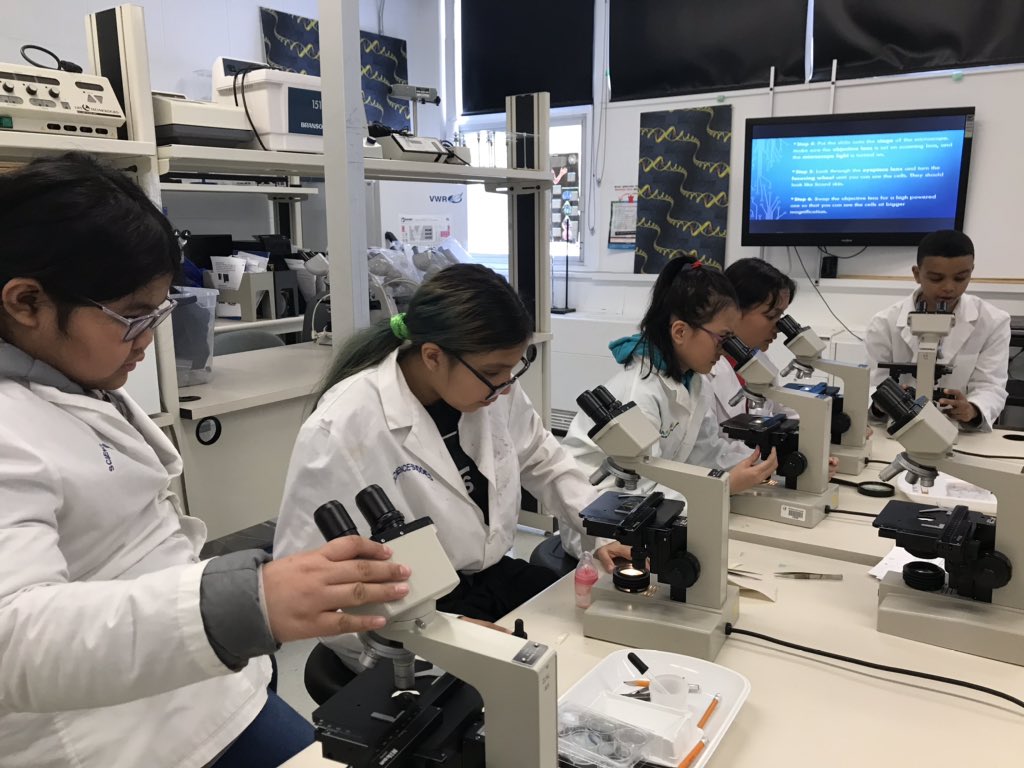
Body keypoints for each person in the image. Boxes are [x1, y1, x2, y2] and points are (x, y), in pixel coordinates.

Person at [0, 153, 412, 768]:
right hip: (109, 738)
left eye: (160, 312)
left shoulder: (64, 381)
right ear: (27, 303)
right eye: (134, 317)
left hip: (198, 695)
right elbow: (14, 640)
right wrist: (241, 602)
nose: (150, 340)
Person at [273, 263, 630, 667]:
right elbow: (312, 588)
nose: (507, 386)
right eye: (495, 372)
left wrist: (603, 529)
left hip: (492, 578)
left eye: (514, 369)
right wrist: (443, 631)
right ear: (433, 357)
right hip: (413, 615)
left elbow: (544, 460)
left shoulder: (491, 391)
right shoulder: (341, 427)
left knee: (592, 647)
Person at [561, 257, 779, 550]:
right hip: (600, 524)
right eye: (722, 338)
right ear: (680, 332)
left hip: (646, 512)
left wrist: (757, 464)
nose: (725, 349)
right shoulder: (641, 392)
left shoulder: (694, 381)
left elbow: (707, 453)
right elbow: (639, 487)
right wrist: (725, 485)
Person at [866, 230, 1010, 431]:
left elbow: (991, 386)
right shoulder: (884, 323)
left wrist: (972, 410)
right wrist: (882, 402)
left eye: (960, 278)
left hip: (960, 432)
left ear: (971, 271)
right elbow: (873, 384)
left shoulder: (993, 322)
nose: (949, 288)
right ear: (917, 274)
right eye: (936, 278)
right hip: (898, 430)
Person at [707, 257, 797, 424]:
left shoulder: (758, 360)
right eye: (771, 316)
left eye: (781, 316)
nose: (778, 327)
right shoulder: (704, 370)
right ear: (733, 309)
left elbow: (784, 413)